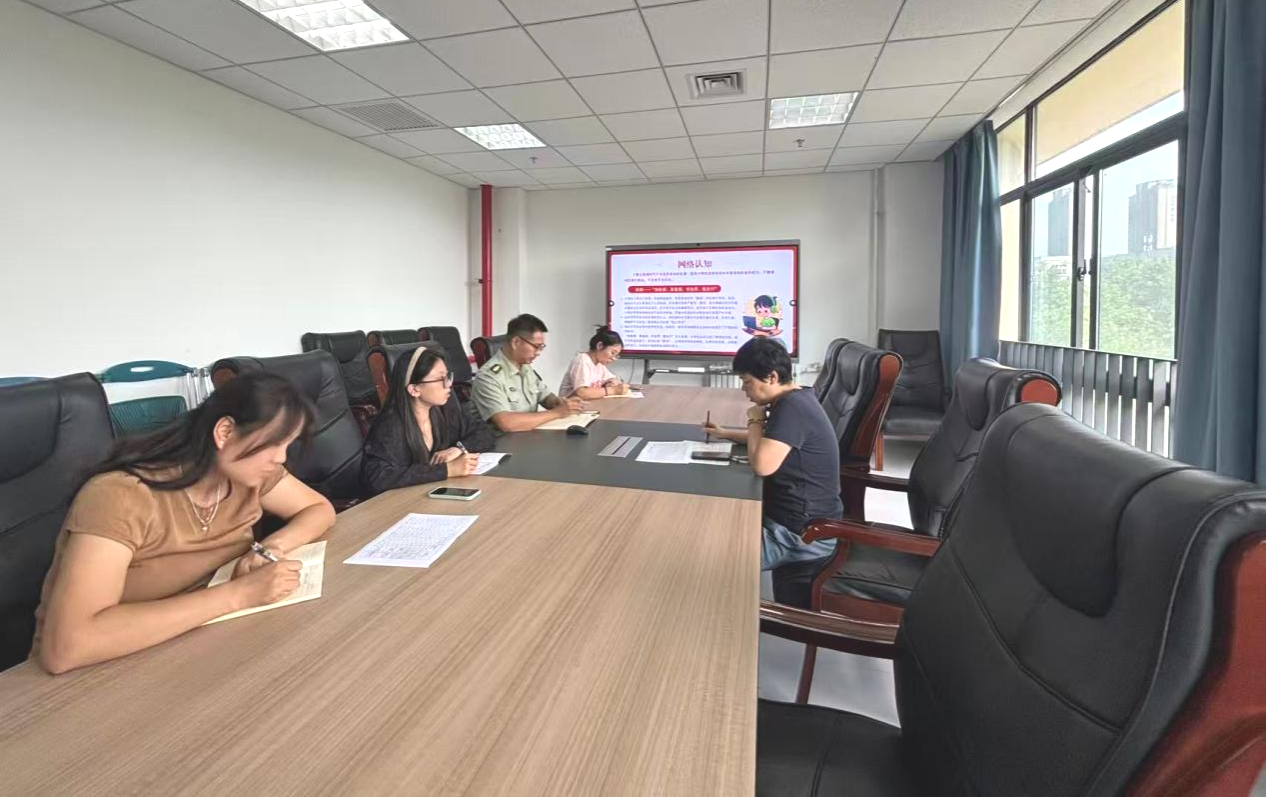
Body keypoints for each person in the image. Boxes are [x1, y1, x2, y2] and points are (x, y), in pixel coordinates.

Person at [32, 372, 336, 674]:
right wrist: (240, 594)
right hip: (102, 669)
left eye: (288, 444)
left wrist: (272, 547)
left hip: (195, 641)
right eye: (275, 443)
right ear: (225, 432)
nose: (280, 458)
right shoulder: (121, 495)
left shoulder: (250, 474)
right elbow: (68, 648)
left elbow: (319, 509)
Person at [703, 337, 842, 570]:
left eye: (747, 382)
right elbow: (774, 442)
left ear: (771, 377)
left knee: (705, 557)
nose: (743, 389)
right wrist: (725, 433)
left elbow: (762, 465)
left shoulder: (792, 408)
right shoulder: (797, 397)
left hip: (799, 536)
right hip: (793, 522)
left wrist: (755, 419)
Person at [361, 346, 495, 496]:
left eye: (448, 376)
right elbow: (378, 478)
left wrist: (458, 449)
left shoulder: (444, 410)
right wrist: (447, 470)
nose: (449, 384)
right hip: (402, 502)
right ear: (414, 389)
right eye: (441, 379)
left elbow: (484, 432)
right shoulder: (390, 426)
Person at [471, 313, 585, 432]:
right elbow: (507, 423)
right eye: (536, 346)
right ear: (516, 342)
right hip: (501, 440)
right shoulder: (488, 376)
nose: (538, 352)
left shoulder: (525, 367)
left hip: (528, 435)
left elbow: (545, 396)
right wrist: (557, 413)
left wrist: (559, 402)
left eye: (541, 347)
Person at [560, 325, 630, 399]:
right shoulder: (582, 360)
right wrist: (613, 390)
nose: (614, 359)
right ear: (600, 346)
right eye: (613, 353)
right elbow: (582, 393)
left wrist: (611, 383)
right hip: (569, 405)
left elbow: (612, 378)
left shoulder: (600, 364)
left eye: (616, 356)